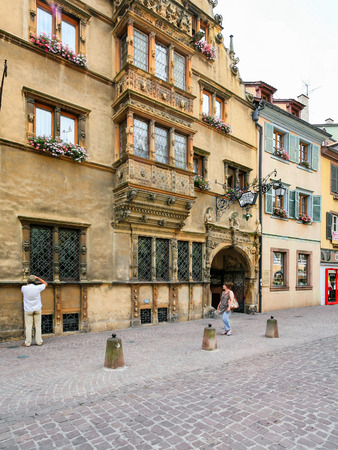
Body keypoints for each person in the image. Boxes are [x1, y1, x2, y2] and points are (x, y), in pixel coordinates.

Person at [21, 275, 48, 347]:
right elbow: (45, 284)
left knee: (28, 326)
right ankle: (39, 341)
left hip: (28, 309)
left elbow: (27, 285)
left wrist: (28, 280)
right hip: (37, 308)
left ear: (27, 281)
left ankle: (27, 342)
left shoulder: (23, 288)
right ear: (34, 281)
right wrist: (38, 278)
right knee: (38, 326)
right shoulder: (38, 288)